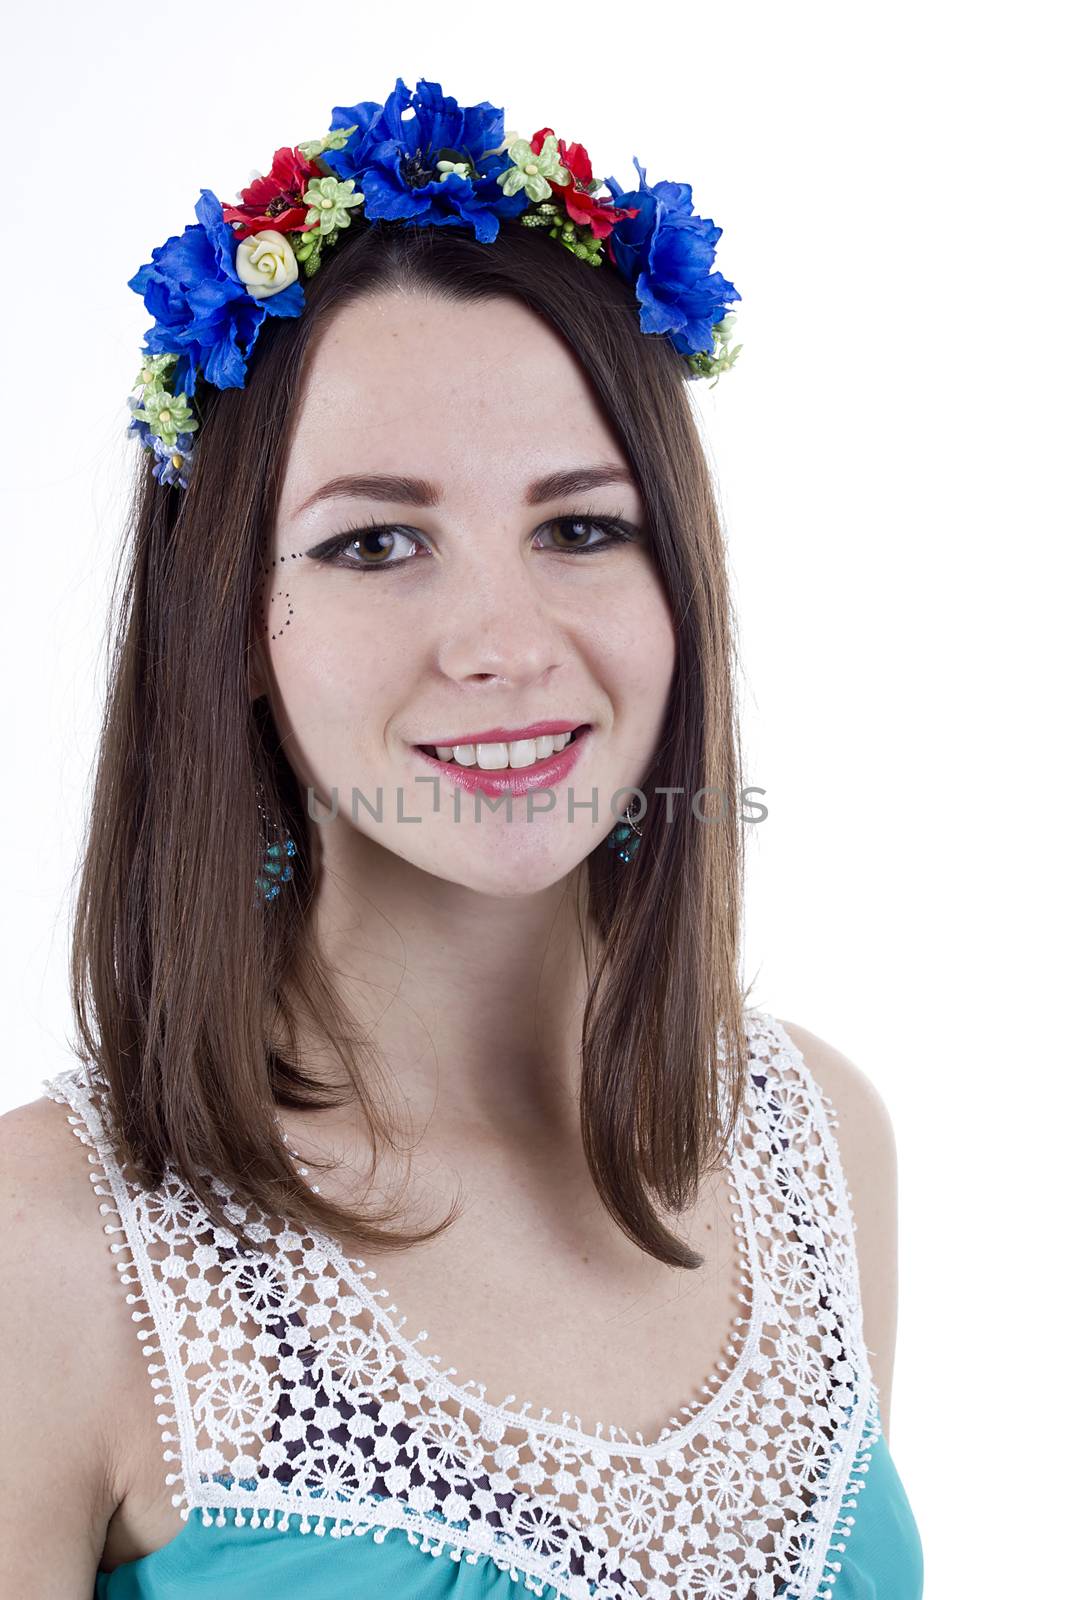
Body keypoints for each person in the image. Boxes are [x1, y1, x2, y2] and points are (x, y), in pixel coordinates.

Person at [0, 78, 923, 1599]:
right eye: (378, 541)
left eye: (581, 528)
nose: (504, 642)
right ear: (233, 618)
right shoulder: (53, 1252)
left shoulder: (819, 1145)